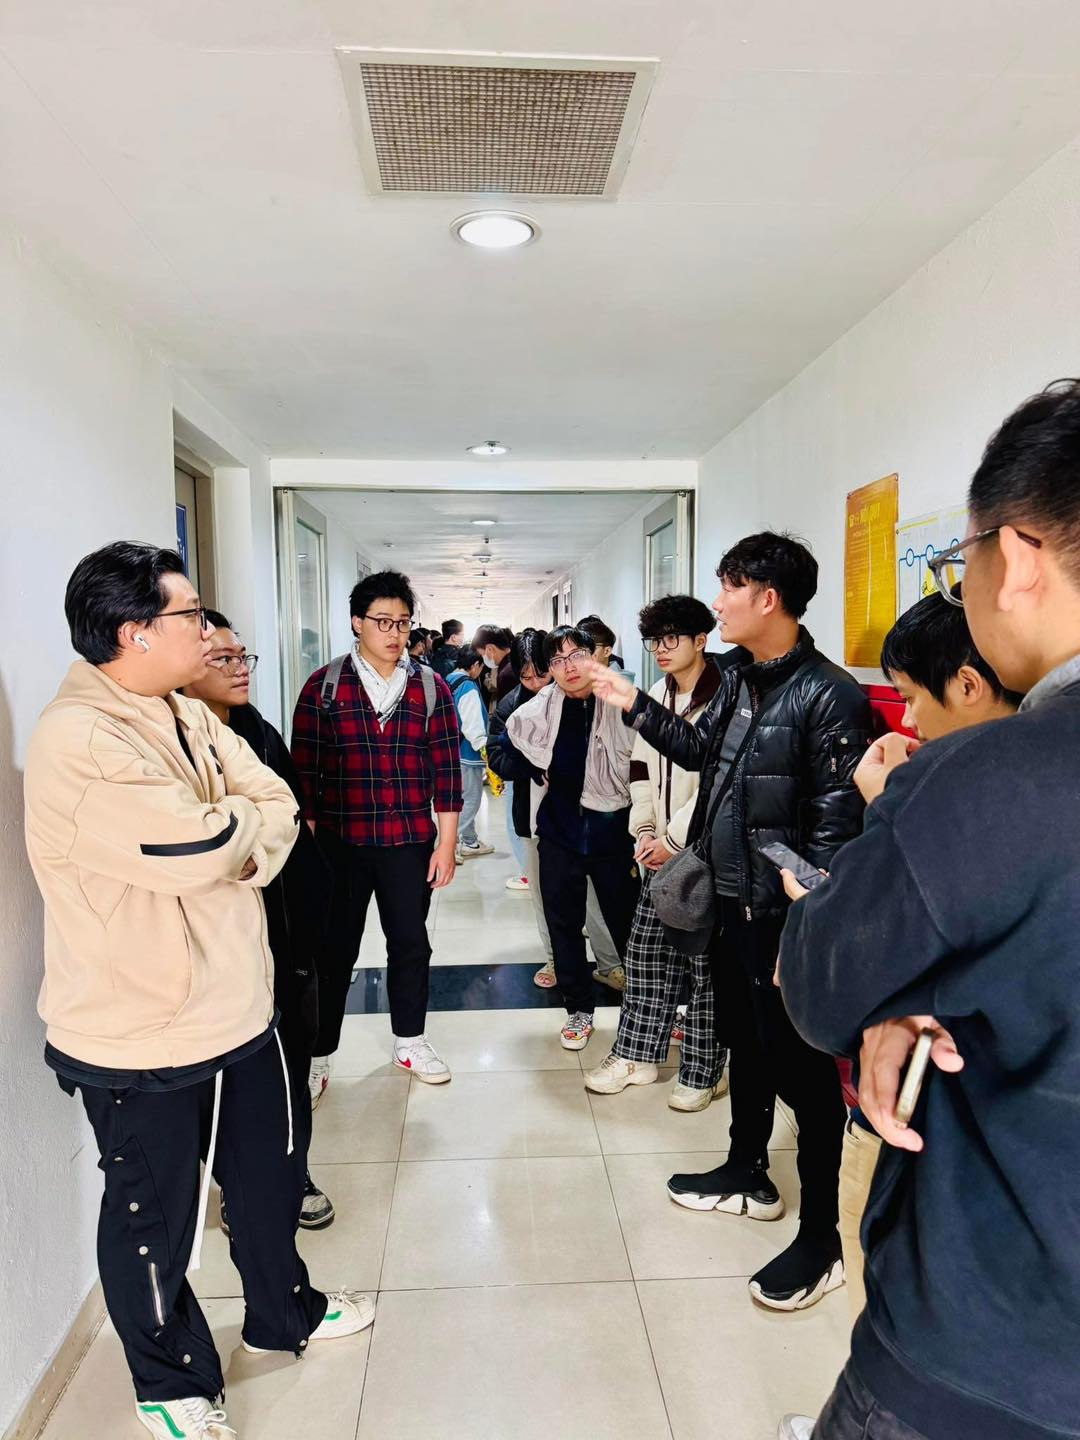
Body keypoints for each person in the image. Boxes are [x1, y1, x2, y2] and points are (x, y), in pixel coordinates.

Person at [776, 380, 1080, 1440]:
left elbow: (820, 984)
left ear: (1020, 557)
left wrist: (896, 977)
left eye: (965, 559)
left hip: (999, 1342)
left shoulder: (995, 778)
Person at [24, 543, 372, 1440]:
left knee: (267, 1175)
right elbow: (203, 850)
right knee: (154, 1216)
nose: (211, 633)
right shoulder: (80, 738)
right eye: (191, 614)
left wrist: (240, 837)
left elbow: (273, 800)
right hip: (140, 1029)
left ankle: (283, 1312)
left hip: (239, 1006)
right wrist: (237, 841)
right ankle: (170, 1381)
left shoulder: (183, 710)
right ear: (134, 632)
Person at [587, 532, 871, 1311]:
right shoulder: (742, 679)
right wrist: (632, 703)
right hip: (731, 902)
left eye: (729, 588)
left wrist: (804, 937)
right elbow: (697, 751)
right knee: (744, 1044)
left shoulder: (829, 696)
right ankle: (748, 1170)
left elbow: (834, 841)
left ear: (767, 598)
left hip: (784, 919)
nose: (718, 604)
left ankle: (824, 1236)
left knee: (805, 1077)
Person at [778, 592, 1021, 1440]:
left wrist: (889, 806)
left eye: (913, 698)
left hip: (926, 1118)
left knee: (880, 1272)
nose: (906, 721)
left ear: (968, 686)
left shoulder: (953, 799)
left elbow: (829, 983)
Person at [184, 610, 339, 1232]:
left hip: (283, 934)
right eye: (221, 658)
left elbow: (290, 824)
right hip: (212, 945)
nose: (239, 668)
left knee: (287, 1063)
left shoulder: (259, 735)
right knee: (225, 1076)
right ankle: (232, 1183)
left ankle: (293, 1172)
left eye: (241, 656)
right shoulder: (168, 743)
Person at [291, 570, 461, 1092]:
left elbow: (447, 769)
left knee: (410, 944)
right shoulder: (324, 687)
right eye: (382, 621)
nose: (394, 633)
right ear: (356, 622)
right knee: (333, 950)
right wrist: (310, 854)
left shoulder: (430, 687)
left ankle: (409, 1040)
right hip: (340, 844)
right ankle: (319, 1053)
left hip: (409, 842)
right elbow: (305, 777)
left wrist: (447, 842)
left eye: (403, 623)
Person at [584, 595, 729, 1111]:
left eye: (671, 638)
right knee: (644, 955)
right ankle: (637, 1055)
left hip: (703, 853)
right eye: (654, 640)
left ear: (701, 640)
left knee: (704, 968)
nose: (661, 649)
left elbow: (715, 783)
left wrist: (673, 841)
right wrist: (645, 829)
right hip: (657, 850)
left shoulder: (725, 697)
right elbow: (641, 767)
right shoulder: (657, 696)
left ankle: (705, 1069)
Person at [496, 625, 639, 1049]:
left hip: (614, 834)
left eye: (576, 655)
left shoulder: (621, 701)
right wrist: (531, 766)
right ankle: (578, 1010)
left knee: (629, 927)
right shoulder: (536, 711)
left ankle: (650, 1010)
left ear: (595, 656)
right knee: (564, 927)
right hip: (559, 834)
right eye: (557, 660)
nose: (568, 666)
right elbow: (504, 752)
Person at [487, 630, 557, 965]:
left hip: (578, 811)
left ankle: (608, 962)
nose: (535, 684)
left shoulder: (574, 696)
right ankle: (554, 957)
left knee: (588, 892)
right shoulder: (509, 706)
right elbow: (496, 757)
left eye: (541, 674)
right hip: (531, 809)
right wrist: (532, 764)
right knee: (542, 892)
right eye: (526, 676)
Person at [446, 645, 495, 861]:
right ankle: (452, 844)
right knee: (471, 799)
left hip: (450, 751)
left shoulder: (448, 680)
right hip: (468, 753)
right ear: (475, 665)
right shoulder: (468, 687)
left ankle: (469, 840)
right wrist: (484, 750)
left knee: (460, 798)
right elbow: (472, 724)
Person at [473, 624, 516, 701]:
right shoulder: (514, 659)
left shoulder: (506, 674)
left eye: (482, 654)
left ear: (490, 649)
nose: (483, 658)